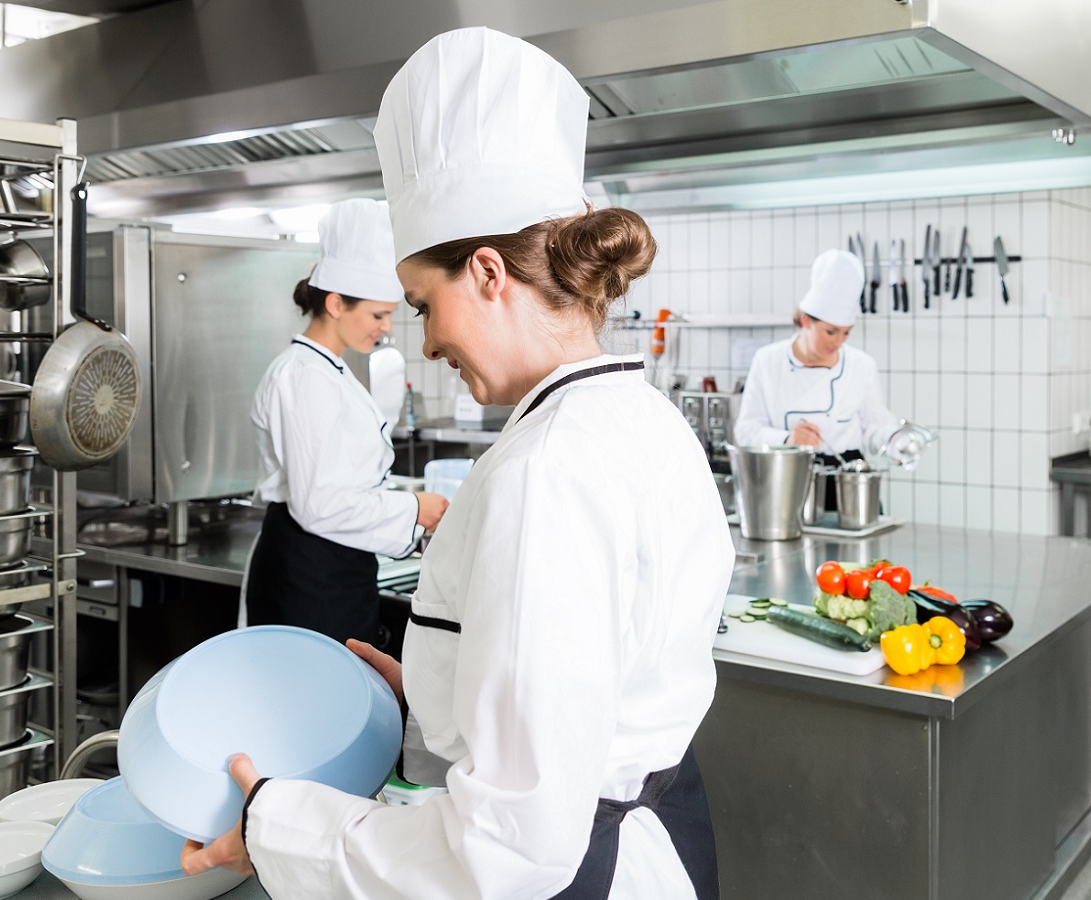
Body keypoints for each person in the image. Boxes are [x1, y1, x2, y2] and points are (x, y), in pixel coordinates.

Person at [182, 27, 734, 900]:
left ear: (485, 273)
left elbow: (508, 852)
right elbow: (591, 687)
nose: (428, 340)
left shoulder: (546, 467)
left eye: (422, 304)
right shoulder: (638, 416)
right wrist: (443, 690)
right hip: (656, 844)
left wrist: (272, 823)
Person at [244, 198, 449, 647]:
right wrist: (414, 511)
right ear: (336, 303)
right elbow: (319, 505)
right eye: (378, 315)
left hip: (331, 564)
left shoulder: (327, 370)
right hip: (309, 572)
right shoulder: (303, 377)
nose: (384, 328)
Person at [733, 249, 901, 508]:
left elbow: (875, 427)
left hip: (847, 482)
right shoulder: (767, 361)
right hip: (788, 477)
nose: (839, 342)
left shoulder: (861, 365)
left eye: (846, 333)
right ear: (805, 321)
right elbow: (746, 432)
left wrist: (894, 439)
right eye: (831, 332)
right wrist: (787, 439)